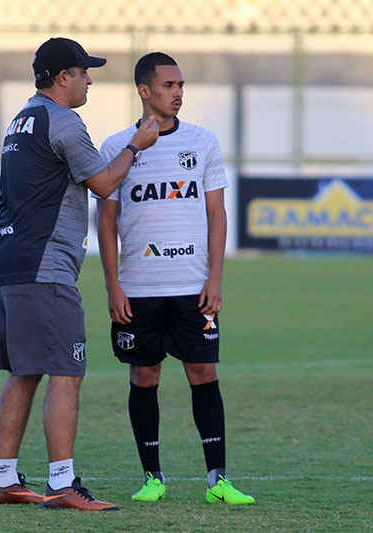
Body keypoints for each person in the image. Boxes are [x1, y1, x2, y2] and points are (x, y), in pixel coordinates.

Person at [0, 38, 158, 511]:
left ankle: (3, 479)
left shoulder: (22, 119)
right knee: (67, 369)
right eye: (84, 72)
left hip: (8, 257)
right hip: (45, 265)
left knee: (24, 371)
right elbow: (103, 183)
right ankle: (62, 483)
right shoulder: (64, 121)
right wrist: (135, 145)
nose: (90, 80)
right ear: (63, 77)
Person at [97, 52, 254, 505]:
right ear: (144, 91)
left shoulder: (203, 142)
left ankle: (218, 481)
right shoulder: (116, 147)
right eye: (168, 85)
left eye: (181, 85)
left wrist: (216, 278)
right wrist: (113, 285)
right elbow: (106, 223)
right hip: (139, 288)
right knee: (144, 376)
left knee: (203, 372)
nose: (178, 92)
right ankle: (153, 478)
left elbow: (216, 213)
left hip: (192, 286)